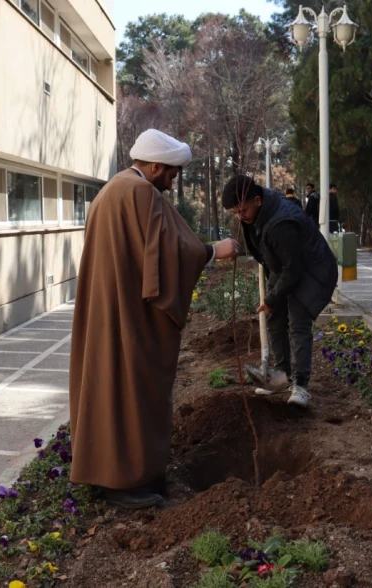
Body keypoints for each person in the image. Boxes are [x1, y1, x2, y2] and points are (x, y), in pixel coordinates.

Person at [69, 129, 240, 510]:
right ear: (157, 166)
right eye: (173, 173)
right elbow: (173, 252)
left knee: (105, 386)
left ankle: (103, 472)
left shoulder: (111, 190)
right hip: (129, 316)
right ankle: (127, 483)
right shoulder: (141, 194)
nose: (174, 181)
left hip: (107, 309)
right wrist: (215, 250)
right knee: (134, 389)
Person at [222, 175, 338, 407]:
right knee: (273, 316)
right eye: (235, 213)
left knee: (298, 322)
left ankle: (301, 386)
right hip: (285, 264)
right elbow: (277, 257)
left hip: (311, 270)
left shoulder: (281, 223)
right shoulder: (258, 209)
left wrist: (273, 297)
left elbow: (294, 270)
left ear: (257, 200)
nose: (240, 217)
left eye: (242, 211)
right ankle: (282, 376)